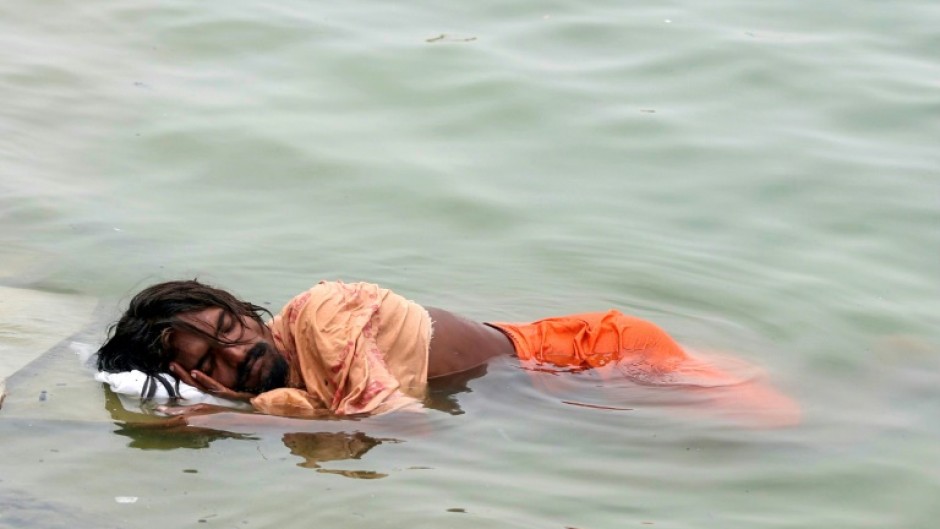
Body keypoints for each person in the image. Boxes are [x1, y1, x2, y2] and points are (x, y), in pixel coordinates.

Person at [97, 279, 799, 424]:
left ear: (248, 312)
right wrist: (233, 401)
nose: (236, 351)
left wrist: (230, 418)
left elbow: (404, 426)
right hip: (548, 384)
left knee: (784, 430)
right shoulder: (285, 381)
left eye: (229, 326)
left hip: (594, 354)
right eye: (209, 359)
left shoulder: (323, 317)